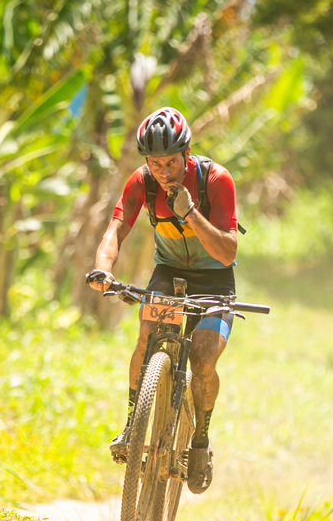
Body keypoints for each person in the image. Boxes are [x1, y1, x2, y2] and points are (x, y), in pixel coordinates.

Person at [85, 107, 239, 495]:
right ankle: (133, 425)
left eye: (171, 162)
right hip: (168, 273)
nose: (164, 172)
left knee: (203, 358)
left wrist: (191, 213)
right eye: (155, 164)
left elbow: (227, 252)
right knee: (147, 336)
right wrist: (103, 269)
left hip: (215, 279)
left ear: (187, 153)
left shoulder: (216, 180)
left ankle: (199, 440)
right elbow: (115, 229)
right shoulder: (142, 182)